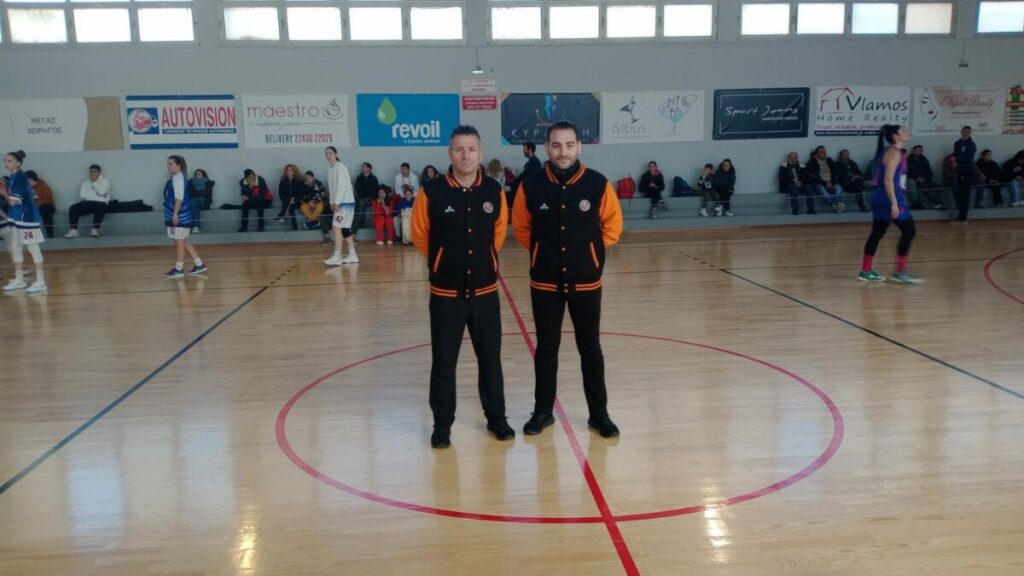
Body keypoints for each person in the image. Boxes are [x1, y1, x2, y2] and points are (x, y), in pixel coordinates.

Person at [512, 120, 624, 439]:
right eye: (557, 145)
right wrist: (543, 254)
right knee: (546, 349)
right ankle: (542, 412)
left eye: (569, 145)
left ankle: (599, 415)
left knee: (591, 349)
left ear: (579, 146)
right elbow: (521, 229)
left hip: (587, 284)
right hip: (545, 284)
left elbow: (613, 227)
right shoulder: (531, 185)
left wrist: (589, 254)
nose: (563, 152)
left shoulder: (598, 183)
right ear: (547, 148)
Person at [411, 124, 513, 449]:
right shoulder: (431, 192)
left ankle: (496, 418)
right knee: (444, 363)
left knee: (490, 360)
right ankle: (442, 425)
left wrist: (483, 260)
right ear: (450, 153)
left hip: (485, 294)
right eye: (459, 149)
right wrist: (444, 261)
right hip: (445, 296)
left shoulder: (494, 191)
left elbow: (498, 233)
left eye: (471, 149)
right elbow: (420, 235)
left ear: (480, 153)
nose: (465, 155)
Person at [858, 125, 920, 285]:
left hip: (881, 196)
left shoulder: (891, 151)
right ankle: (900, 272)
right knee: (909, 231)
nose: (906, 132)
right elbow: (888, 180)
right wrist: (894, 203)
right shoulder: (893, 153)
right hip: (889, 197)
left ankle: (866, 271)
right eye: (903, 131)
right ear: (895, 136)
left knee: (877, 232)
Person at [2, 151, 47, 293]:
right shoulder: (12, 177)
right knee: (16, 247)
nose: (6, 163)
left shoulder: (20, 178)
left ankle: (41, 281)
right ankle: (19, 279)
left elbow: (13, 201)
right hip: (16, 219)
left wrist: (4, 194)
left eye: (9, 161)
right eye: (5, 160)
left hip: (27, 218)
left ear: (18, 163)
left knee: (33, 248)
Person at [162, 155, 207, 279]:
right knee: (182, 241)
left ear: (179, 165)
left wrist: (175, 214)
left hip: (180, 214)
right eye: (167, 164)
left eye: (171, 164)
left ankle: (178, 268)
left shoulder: (179, 178)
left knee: (180, 241)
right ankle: (199, 264)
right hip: (179, 213)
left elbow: (179, 198)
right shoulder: (177, 177)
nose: (168, 166)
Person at [323, 146, 358, 265]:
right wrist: (331, 202)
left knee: (336, 227)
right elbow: (332, 188)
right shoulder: (330, 169)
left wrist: (337, 202)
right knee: (345, 229)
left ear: (335, 154)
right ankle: (352, 255)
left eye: (330, 153)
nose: (328, 155)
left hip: (345, 203)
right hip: (340, 203)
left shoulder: (340, 167)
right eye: (326, 153)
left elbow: (341, 186)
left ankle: (337, 256)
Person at [65, 164, 111, 238]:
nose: (93, 174)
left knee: (100, 206)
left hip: (101, 204)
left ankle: (95, 229)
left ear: (99, 173)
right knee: (73, 207)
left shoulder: (105, 181)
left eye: (95, 172)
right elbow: (82, 195)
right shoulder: (85, 182)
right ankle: (74, 230)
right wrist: (98, 195)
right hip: (88, 203)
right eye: (91, 172)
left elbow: (102, 192)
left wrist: (94, 182)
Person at [805, 146, 844, 213]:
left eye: (824, 152)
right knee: (824, 193)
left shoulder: (829, 160)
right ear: (817, 154)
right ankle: (836, 206)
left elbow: (836, 173)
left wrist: (832, 182)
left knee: (839, 188)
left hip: (831, 182)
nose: (824, 153)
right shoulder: (812, 161)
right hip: (819, 184)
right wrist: (824, 183)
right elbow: (811, 176)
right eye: (821, 152)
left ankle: (837, 207)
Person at [906, 145, 944, 210]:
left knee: (939, 187)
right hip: (915, 180)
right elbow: (909, 172)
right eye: (918, 150)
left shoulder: (924, 159)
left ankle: (938, 203)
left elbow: (929, 171)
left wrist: (926, 178)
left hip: (925, 179)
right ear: (913, 151)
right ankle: (937, 203)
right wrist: (917, 178)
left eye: (921, 150)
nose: (920, 152)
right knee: (924, 188)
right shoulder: (909, 160)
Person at [952, 126, 977, 222]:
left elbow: (969, 159)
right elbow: (955, 154)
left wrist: (957, 160)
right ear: (961, 132)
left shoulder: (971, 144)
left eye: (968, 132)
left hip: (967, 171)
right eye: (964, 131)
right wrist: (953, 159)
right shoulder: (957, 143)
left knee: (965, 194)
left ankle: (963, 217)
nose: (965, 134)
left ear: (970, 133)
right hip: (959, 171)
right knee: (960, 193)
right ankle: (960, 215)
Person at [25, 171, 56, 238]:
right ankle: (29, 234)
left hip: (46, 206)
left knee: (45, 208)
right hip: (34, 207)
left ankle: (49, 232)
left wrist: (36, 205)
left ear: (31, 179)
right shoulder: (27, 188)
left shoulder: (44, 186)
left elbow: (47, 199)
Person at [274, 164, 304, 230]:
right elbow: (281, 194)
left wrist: (295, 200)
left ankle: (282, 215)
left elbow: (301, 194)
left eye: (291, 170)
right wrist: (286, 200)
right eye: (287, 170)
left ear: (295, 171)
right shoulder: (283, 181)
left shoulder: (299, 181)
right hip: (287, 202)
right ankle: (294, 224)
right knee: (290, 205)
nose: (288, 172)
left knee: (290, 202)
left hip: (297, 201)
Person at [353, 162, 378, 234]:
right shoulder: (359, 177)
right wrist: (364, 198)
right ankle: (359, 229)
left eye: (364, 167)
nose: (362, 168)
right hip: (362, 199)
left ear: (368, 168)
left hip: (372, 199)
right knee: (361, 212)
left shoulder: (374, 178)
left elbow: (376, 190)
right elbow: (357, 189)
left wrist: (370, 198)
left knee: (375, 211)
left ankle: (374, 228)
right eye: (362, 167)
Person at [188, 168, 214, 234]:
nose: (198, 175)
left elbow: (207, 194)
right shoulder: (191, 182)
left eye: (200, 174)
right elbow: (190, 194)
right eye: (197, 174)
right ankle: (196, 227)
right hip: (195, 202)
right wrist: (199, 194)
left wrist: (197, 194)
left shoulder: (207, 182)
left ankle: (193, 226)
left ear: (203, 175)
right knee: (194, 206)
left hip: (205, 203)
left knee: (192, 203)